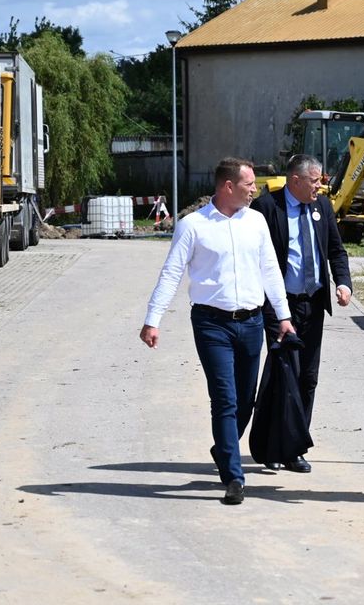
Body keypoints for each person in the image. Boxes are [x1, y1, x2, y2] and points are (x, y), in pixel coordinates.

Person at [140, 157, 295, 506]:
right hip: (212, 324)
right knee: (224, 399)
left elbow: (270, 269)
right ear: (228, 186)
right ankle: (233, 476)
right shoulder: (193, 226)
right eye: (248, 184)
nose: (255, 189)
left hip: (253, 322)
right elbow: (172, 272)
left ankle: (222, 447)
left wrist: (283, 316)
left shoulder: (256, 222)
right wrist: (154, 319)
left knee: (245, 400)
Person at [251, 153, 352, 473]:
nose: (320, 187)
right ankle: (271, 446)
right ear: (295, 180)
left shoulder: (322, 208)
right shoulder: (268, 208)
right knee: (285, 375)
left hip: (313, 305)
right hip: (280, 307)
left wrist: (343, 282)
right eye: (315, 181)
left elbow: (335, 249)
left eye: (322, 181)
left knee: (307, 378)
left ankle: (294, 447)